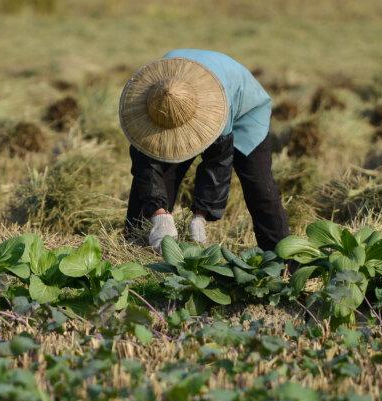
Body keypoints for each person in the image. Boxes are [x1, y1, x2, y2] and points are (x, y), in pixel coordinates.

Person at [119, 49, 290, 252]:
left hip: (244, 110)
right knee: (161, 176)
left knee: (259, 187)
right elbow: (145, 163)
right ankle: (136, 248)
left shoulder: (218, 108)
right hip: (175, 107)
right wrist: (159, 213)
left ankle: (281, 259)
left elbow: (218, 163)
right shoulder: (151, 97)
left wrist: (201, 215)